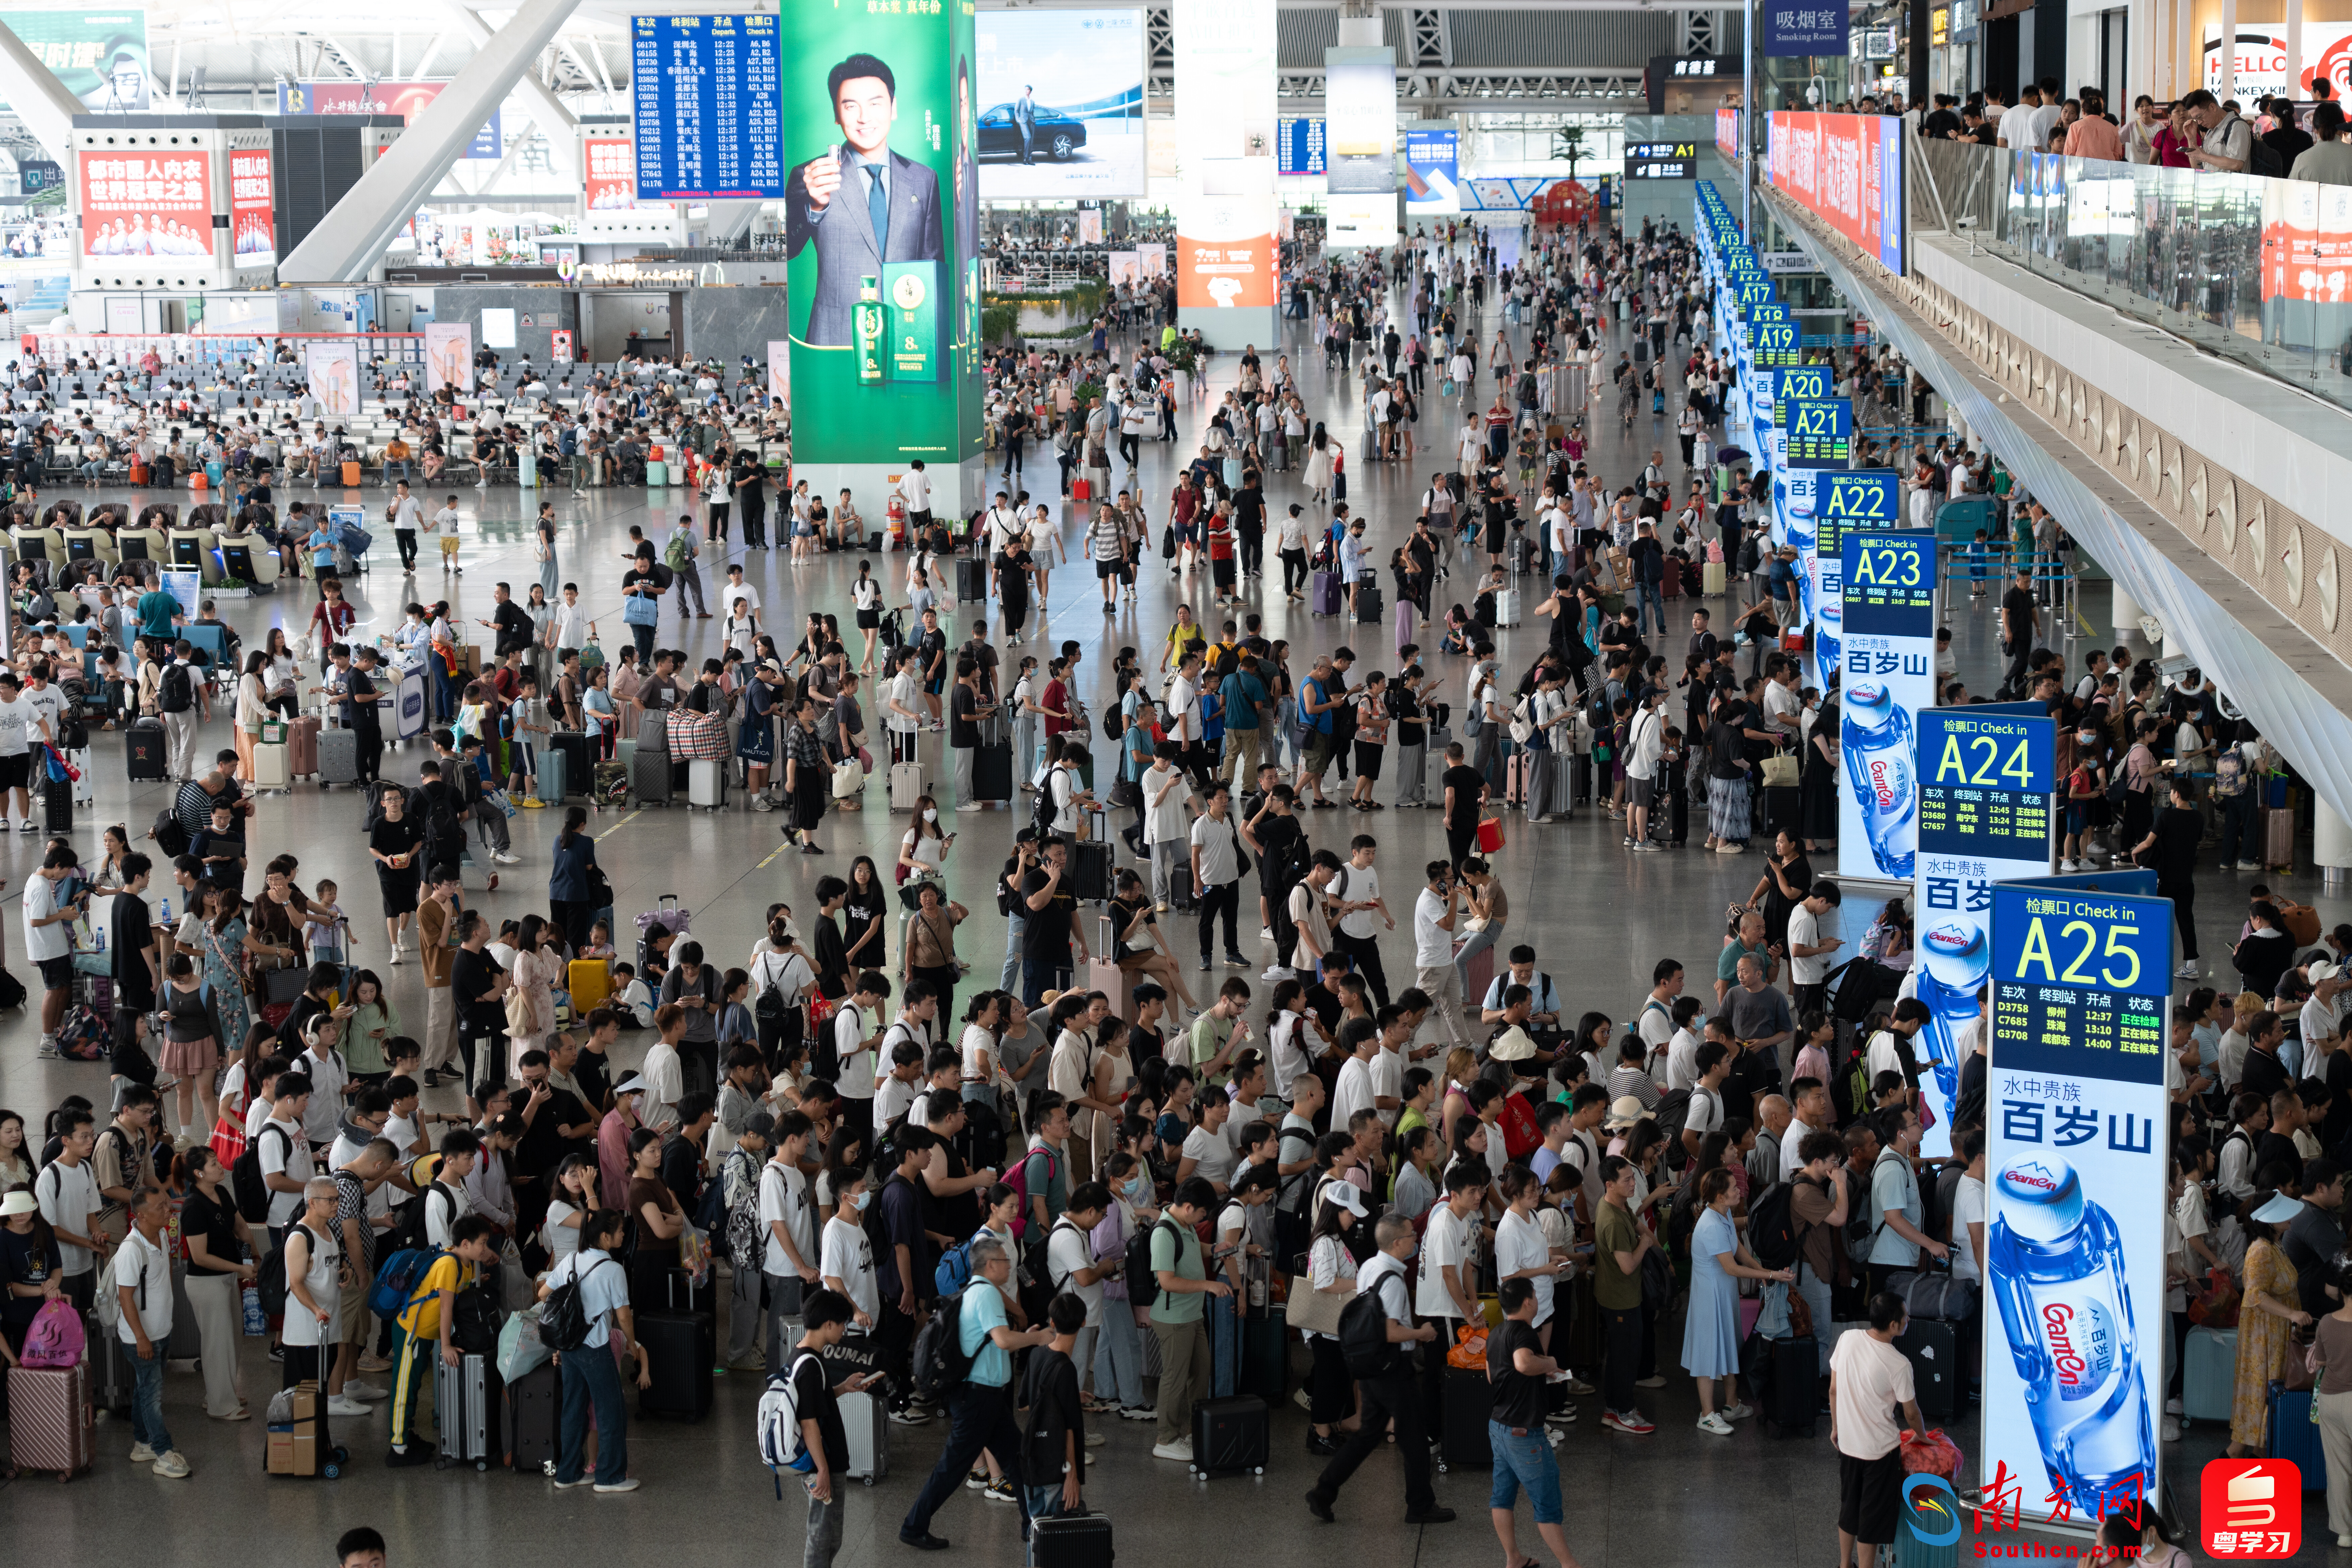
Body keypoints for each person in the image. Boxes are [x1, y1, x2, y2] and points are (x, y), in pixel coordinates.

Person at [897, 1235, 1052, 1551]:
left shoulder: (978, 1292)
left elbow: (1000, 1339)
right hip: (978, 1398)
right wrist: (1038, 1340)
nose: (1010, 1265)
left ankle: (1030, 1524)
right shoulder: (986, 1294)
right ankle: (914, 1526)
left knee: (1017, 1458)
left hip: (986, 1397)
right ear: (991, 1265)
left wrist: (1024, 1335)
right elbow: (1003, 1341)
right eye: (1006, 1260)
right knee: (953, 1467)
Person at [785, 53, 947, 347]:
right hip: (834, 338)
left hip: (908, 340)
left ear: (893, 107)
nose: (864, 117)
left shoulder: (924, 180)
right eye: (851, 106)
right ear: (836, 113)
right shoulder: (811, 175)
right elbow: (787, 250)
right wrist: (815, 207)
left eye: (875, 104)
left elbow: (933, 270)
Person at [1304, 1210, 1450, 1526]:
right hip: (1392, 1368)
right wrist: (1421, 1334)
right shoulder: (1394, 1282)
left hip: (1369, 1365)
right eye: (1412, 1235)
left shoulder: (1371, 1266)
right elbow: (1390, 1331)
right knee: (1414, 1437)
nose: (1416, 1239)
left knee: (1368, 1436)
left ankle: (1323, 1492)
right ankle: (1420, 1505)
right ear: (1398, 1243)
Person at [542, 1207, 646, 1491]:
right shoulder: (613, 1270)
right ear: (604, 1236)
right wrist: (632, 1345)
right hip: (596, 1347)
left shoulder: (573, 1260)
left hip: (570, 1348)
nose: (624, 1234)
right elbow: (624, 1316)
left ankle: (569, 1473)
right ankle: (610, 1476)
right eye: (620, 1230)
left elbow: (543, 1293)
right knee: (610, 1409)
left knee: (573, 1408)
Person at [1487, 1276, 1584, 1568]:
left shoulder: (1496, 1333)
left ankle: (1513, 1558)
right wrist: (1551, 1363)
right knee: (1547, 1503)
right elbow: (1523, 1363)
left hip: (1498, 1427)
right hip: (1523, 1433)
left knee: (1502, 1497)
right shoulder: (1525, 1333)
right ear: (1529, 1301)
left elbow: (1495, 1376)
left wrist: (1539, 1374)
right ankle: (1571, 1565)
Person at [1830, 1293, 1929, 1568]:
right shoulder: (1899, 1364)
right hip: (1880, 1453)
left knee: (1849, 1507)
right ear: (1894, 1326)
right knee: (1871, 1517)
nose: (1909, 1318)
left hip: (1848, 1445)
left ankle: (1843, 1564)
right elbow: (1911, 1413)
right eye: (1905, 1316)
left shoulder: (1848, 1339)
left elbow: (1834, 1389)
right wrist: (1923, 1438)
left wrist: (1837, 1427)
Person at [793, 1286, 881, 1568]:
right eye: (843, 1324)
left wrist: (843, 1388)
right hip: (823, 1461)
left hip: (827, 1460)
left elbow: (815, 1401)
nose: (845, 1330)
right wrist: (822, 1470)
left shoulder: (806, 1357)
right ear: (828, 1324)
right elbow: (808, 1424)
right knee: (822, 1536)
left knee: (830, 1536)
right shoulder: (809, 1364)